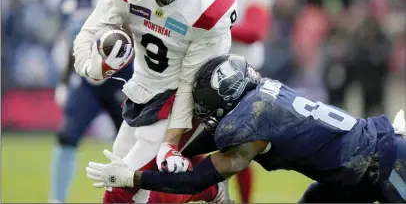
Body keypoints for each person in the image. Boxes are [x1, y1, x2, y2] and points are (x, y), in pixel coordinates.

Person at [86, 54, 406, 203]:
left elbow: (199, 178)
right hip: (353, 171)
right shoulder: (261, 94)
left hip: (388, 161)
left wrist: (134, 176)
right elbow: (205, 142)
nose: (208, 117)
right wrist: (160, 148)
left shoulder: (250, 126)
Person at [73, 0, 237, 203]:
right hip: (142, 90)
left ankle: (206, 189)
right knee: (140, 188)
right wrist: (91, 67)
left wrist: (172, 142)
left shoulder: (209, 5)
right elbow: (91, 30)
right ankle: (209, 191)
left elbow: (191, 81)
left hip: (184, 97)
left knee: (120, 186)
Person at [48, 0, 134, 203]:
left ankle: (138, 195)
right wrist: (64, 82)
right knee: (66, 136)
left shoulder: (112, 0)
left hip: (118, 79)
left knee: (133, 143)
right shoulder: (67, 3)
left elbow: (130, 38)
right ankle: (57, 199)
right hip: (85, 80)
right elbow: (72, 46)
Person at [202, 0, 274, 203]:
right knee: (191, 144)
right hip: (205, 73)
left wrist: (211, 25)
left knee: (240, 145)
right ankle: (213, 195)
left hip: (245, 75)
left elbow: (255, 31)